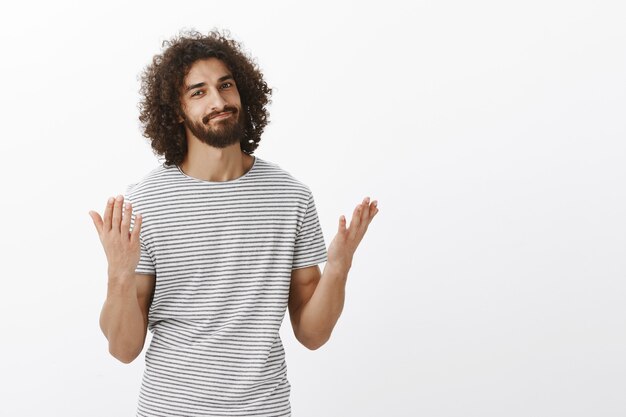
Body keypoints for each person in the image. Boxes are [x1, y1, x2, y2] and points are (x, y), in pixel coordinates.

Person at [88, 29, 379, 417]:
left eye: (226, 86)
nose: (219, 100)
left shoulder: (290, 197)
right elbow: (123, 349)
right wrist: (119, 275)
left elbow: (312, 335)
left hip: (264, 409)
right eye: (199, 91)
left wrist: (339, 268)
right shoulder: (146, 203)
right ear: (176, 110)